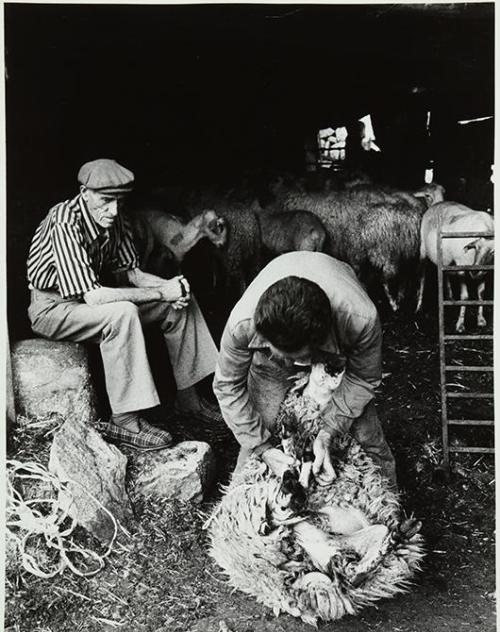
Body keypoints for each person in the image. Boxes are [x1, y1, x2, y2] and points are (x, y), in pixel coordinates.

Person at [26, 158, 220, 451]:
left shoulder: (116, 218)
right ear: (84, 192)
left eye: (118, 201)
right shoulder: (64, 220)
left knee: (180, 300)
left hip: (90, 301)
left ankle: (189, 398)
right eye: (105, 201)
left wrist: (171, 287)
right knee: (123, 313)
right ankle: (125, 419)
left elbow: (135, 274)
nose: (113, 210)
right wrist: (160, 293)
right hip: (54, 308)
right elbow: (95, 296)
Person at [213, 251, 397, 489]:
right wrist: (263, 448)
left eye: (297, 358)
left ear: (315, 346)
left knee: (366, 435)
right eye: (283, 355)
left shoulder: (360, 318)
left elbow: (363, 378)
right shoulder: (243, 324)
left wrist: (328, 432)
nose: (293, 365)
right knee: (260, 429)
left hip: (334, 347)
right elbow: (228, 386)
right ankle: (238, 510)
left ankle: (389, 508)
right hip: (270, 360)